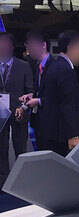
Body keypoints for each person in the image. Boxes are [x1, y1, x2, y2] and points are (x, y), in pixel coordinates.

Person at [23, 30, 79, 157]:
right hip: (58, 131)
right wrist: (73, 134)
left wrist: (37, 100)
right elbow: (67, 103)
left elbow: (55, 97)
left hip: (51, 129)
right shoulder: (63, 68)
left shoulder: (55, 66)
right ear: (71, 47)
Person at [0, 32, 34, 186]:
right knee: (1, 149)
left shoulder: (24, 66)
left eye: (6, 43)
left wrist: (23, 107)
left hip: (19, 112)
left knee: (20, 147)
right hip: (0, 114)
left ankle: (22, 181)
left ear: (12, 46)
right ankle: (3, 181)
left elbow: (30, 91)